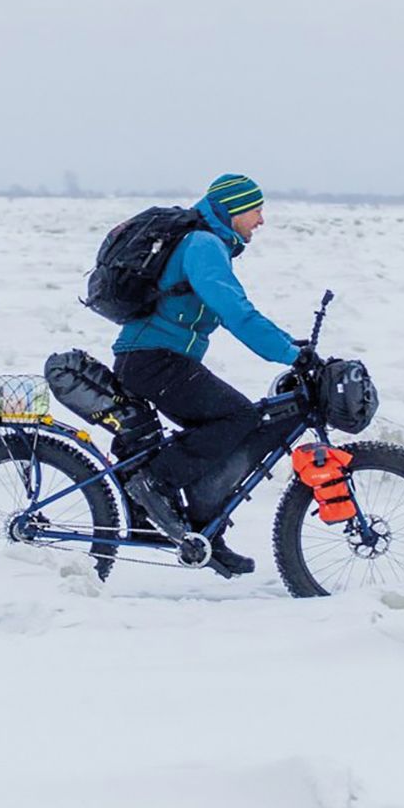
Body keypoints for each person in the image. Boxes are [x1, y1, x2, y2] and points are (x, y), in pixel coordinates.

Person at [113, 173, 314, 577]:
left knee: (222, 430)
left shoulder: (206, 242)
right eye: (256, 210)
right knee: (238, 417)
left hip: (159, 358)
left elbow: (232, 310)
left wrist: (288, 344)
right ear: (234, 210)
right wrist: (290, 355)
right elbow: (236, 311)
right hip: (153, 360)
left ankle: (206, 532)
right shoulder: (204, 245)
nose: (260, 220)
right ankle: (152, 482)